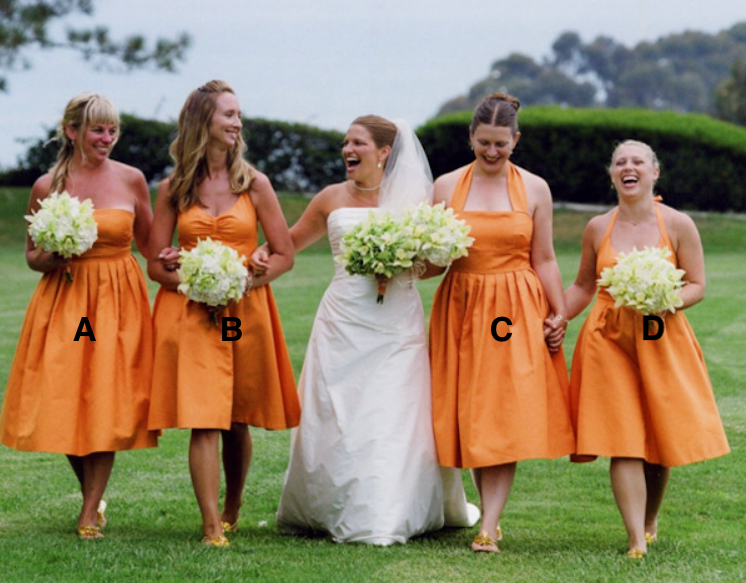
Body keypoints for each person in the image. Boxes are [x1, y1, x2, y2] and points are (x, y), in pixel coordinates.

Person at [253, 115, 479, 545]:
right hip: (341, 318)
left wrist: (402, 263)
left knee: (391, 409)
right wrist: (257, 257)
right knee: (337, 409)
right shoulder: (329, 198)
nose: (346, 150)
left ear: (384, 152)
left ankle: (384, 511)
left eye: (357, 143)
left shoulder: (415, 199)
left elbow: (436, 263)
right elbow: (289, 242)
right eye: (344, 143)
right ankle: (322, 505)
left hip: (397, 321)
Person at [147, 80, 300, 547]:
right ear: (203, 122)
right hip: (190, 314)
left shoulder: (255, 184)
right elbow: (156, 263)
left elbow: (284, 253)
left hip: (245, 311)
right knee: (204, 416)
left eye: (238, 116)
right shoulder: (173, 188)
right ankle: (211, 524)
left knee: (236, 416)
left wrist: (245, 280)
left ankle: (233, 507)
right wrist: (188, 280)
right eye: (228, 115)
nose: (236, 123)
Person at [0, 93, 158, 539]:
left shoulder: (132, 180)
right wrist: (51, 256)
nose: (107, 138)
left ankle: (89, 512)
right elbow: (32, 256)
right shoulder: (46, 186)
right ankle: (95, 495)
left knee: (104, 398)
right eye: (97, 130)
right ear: (73, 131)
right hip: (66, 300)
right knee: (64, 396)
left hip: (117, 299)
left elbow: (148, 244)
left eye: (112, 131)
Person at [564, 139, 730, 558]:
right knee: (624, 438)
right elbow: (585, 285)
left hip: (660, 335)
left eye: (638, 161)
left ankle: (650, 520)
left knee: (659, 438)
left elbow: (697, 285)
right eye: (620, 161)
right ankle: (636, 540)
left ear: (655, 172)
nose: (628, 167)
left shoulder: (677, 224)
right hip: (607, 337)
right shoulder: (598, 227)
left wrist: (664, 298)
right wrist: (555, 317)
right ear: (612, 174)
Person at [428, 93, 575, 554]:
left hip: (513, 307)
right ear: (471, 137)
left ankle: (489, 524)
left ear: (516, 139)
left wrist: (559, 312)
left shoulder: (535, 189)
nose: (492, 152)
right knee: (474, 410)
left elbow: (545, 258)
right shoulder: (446, 185)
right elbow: (435, 260)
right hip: (461, 302)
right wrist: (399, 266)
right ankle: (488, 515)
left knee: (502, 411)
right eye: (484, 143)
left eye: (501, 144)